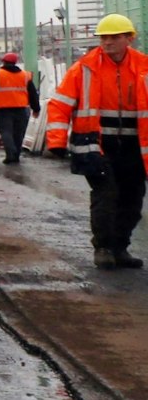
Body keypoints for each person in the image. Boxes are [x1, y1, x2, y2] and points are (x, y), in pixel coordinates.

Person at [45, 14, 148, 270]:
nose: (107, 42)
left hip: (135, 147)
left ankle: (120, 247)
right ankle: (103, 248)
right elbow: (59, 104)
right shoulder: (84, 68)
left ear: (129, 39)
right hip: (96, 144)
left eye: (114, 37)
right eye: (104, 38)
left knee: (133, 199)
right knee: (106, 195)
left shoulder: (144, 66)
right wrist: (56, 141)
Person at [0, 51, 37, 163]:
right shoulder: (25, 75)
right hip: (20, 109)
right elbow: (33, 93)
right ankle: (16, 156)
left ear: (4, 62)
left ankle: (10, 153)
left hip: (3, 110)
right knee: (18, 134)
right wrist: (36, 108)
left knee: (6, 132)